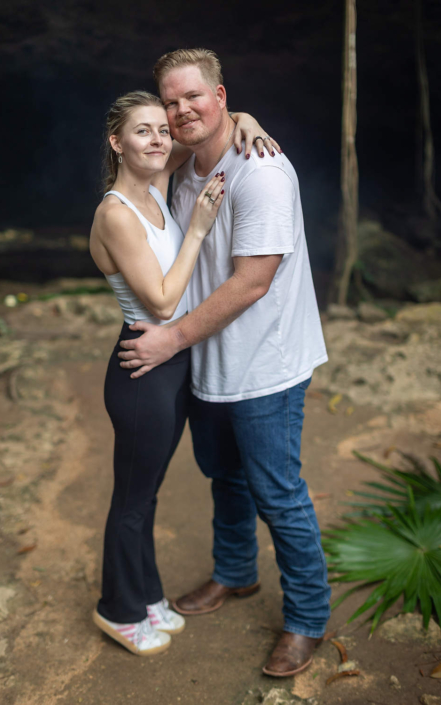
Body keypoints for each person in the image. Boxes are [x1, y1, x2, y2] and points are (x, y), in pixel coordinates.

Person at [117, 49, 332, 677]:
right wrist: (243, 117)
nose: (182, 110)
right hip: (209, 361)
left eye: (195, 96)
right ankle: (235, 573)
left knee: (278, 494)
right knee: (225, 478)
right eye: (171, 101)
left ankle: (307, 618)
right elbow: (141, 162)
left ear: (220, 96)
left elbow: (252, 282)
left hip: (265, 364)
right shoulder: (183, 165)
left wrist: (170, 340)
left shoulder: (261, 173)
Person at [89, 89, 279, 656]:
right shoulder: (115, 213)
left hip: (172, 363)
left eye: (161, 130)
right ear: (117, 142)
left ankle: (146, 595)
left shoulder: (154, 184)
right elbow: (164, 302)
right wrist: (197, 228)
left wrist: (245, 117)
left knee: (147, 495)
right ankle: (117, 609)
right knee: (132, 499)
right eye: (141, 131)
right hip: (143, 367)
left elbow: (210, 129)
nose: (158, 140)